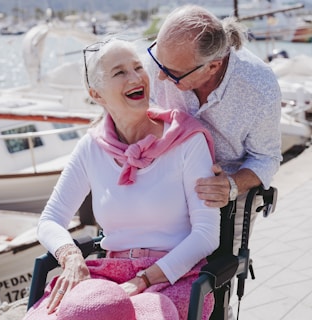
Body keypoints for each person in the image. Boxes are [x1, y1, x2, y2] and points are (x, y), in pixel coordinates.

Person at [24, 38, 220, 320]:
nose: (136, 77)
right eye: (120, 72)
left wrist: (145, 279)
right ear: (97, 94)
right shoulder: (91, 147)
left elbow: (206, 235)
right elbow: (50, 220)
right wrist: (71, 257)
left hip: (173, 275)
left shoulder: (187, 140)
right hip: (106, 277)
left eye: (138, 67)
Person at [146, 4, 282, 318]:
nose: (161, 78)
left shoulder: (259, 86)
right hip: (167, 183)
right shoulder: (162, 64)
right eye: (158, 62)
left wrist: (232, 185)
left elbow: (266, 157)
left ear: (213, 65)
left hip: (225, 194)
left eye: (174, 74)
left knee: (212, 281)